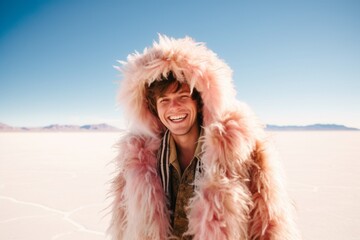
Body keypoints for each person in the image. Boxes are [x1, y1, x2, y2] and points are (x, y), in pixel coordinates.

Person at [109, 35, 301, 240]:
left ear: (199, 102)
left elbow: (269, 226)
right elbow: (125, 227)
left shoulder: (241, 153)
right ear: (154, 109)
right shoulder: (138, 162)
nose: (174, 108)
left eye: (183, 97)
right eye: (164, 100)